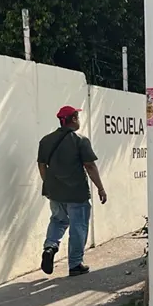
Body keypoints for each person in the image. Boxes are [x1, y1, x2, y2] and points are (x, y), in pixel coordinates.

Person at [37, 105, 107, 277]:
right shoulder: (80, 140)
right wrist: (100, 188)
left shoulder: (46, 140)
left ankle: (50, 247)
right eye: (78, 117)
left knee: (58, 220)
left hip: (55, 192)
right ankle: (75, 264)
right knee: (78, 227)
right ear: (74, 119)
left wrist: (49, 184)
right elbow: (90, 166)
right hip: (77, 193)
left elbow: (42, 165)